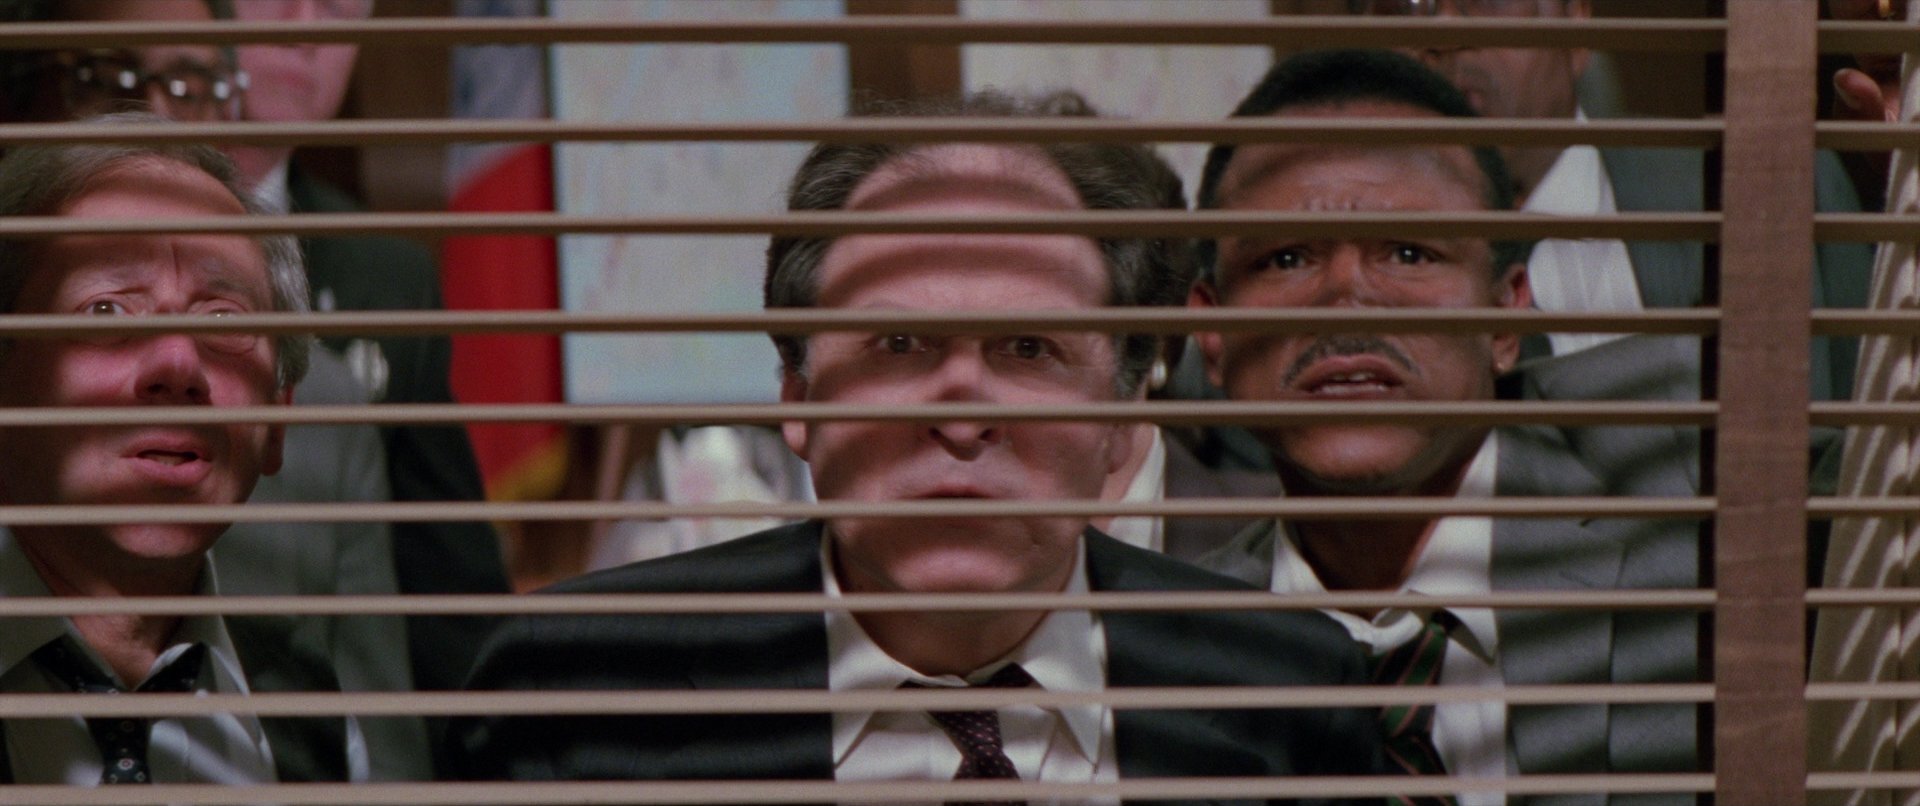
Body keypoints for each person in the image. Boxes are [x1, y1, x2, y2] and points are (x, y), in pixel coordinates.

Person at [455, 91, 1385, 801]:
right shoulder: (578, 691)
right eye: (899, 345)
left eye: (1029, 349)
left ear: (1118, 420)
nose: (964, 416)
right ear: (798, 400)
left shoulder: (1286, 692)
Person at [1188, 50, 1703, 805]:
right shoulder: (1173, 653)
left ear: (1506, 317)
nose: (1347, 298)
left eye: (1409, 252)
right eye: (1287, 257)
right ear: (1211, 336)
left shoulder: (1687, 471)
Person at [0, 126, 364, 785]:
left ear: (278, 417)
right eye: (106, 310)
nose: (177, 363)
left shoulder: (310, 718)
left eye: (223, 319)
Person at [1350, 0, 1874, 400]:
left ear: (1577, 26)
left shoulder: (1777, 189)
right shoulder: (1329, 265)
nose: (1443, 28)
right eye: (1407, 3)